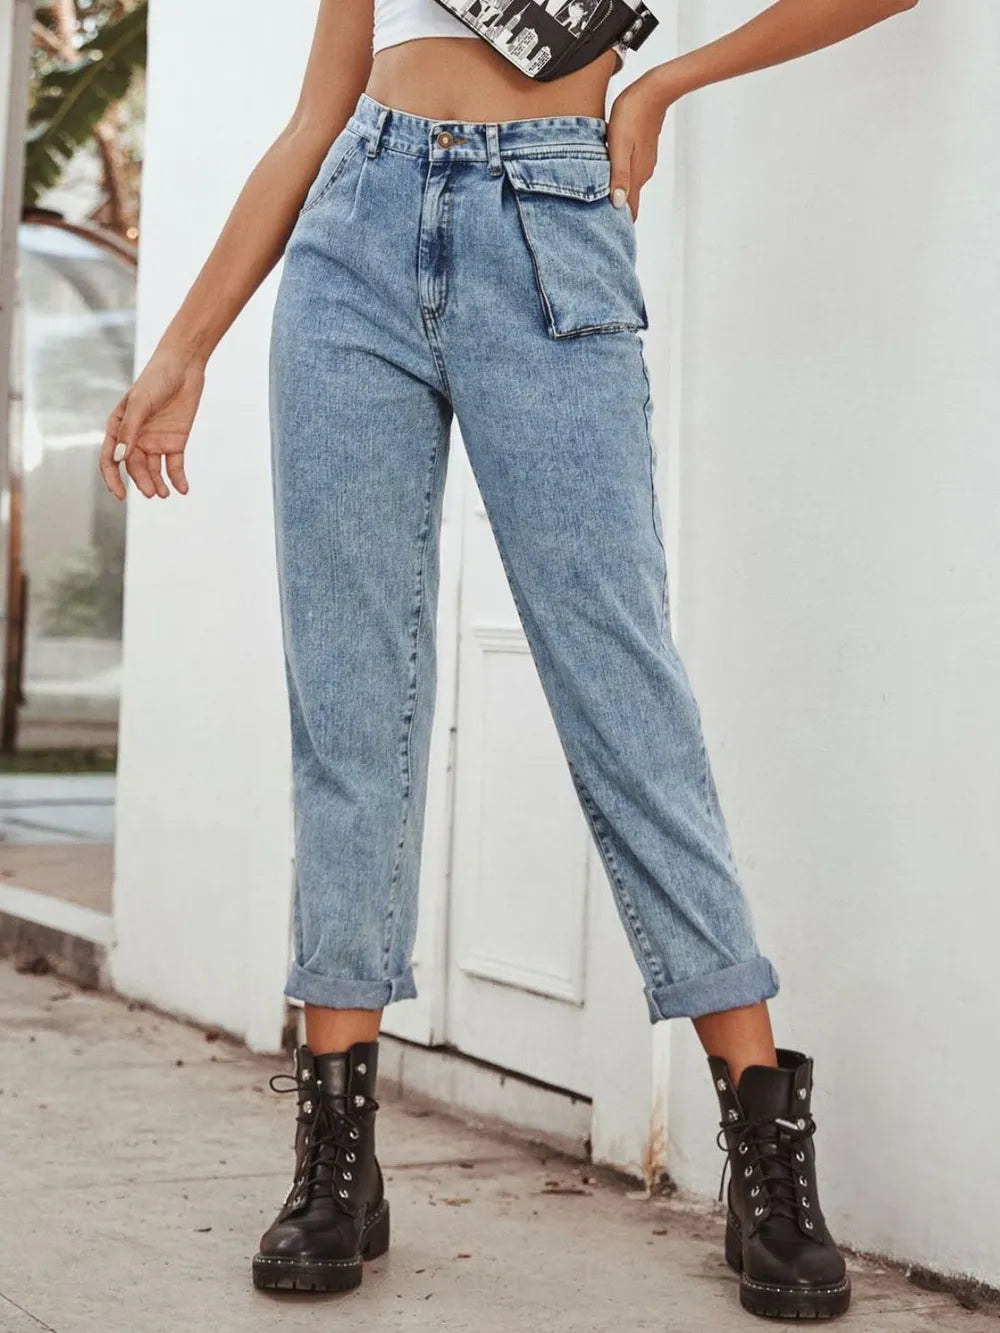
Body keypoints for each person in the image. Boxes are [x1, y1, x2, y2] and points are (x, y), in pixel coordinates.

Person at [99, 0, 918, 1319]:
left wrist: (663, 90)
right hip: (353, 234)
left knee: (624, 691)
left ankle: (765, 1146)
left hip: (550, 222)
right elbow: (320, 109)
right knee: (347, 706)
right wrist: (186, 342)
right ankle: (336, 1157)